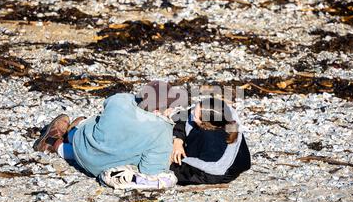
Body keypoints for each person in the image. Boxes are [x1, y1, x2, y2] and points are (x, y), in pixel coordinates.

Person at [33, 81, 179, 190]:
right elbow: (151, 170)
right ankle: (54, 143)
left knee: (91, 129)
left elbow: (109, 103)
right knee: (104, 152)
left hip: (83, 144)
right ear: (158, 111)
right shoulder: (161, 129)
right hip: (100, 168)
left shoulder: (121, 100)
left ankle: (66, 134)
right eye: (170, 108)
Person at [170, 97, 251, 185]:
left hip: (215, 172)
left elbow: (190, 169)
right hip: (234, 159)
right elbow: (184, 115)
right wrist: (178, 139)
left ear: (205, 124)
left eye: (195, 116)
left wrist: (170, 163)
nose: (192, 114)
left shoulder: (211, 141)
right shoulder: (222, 113)